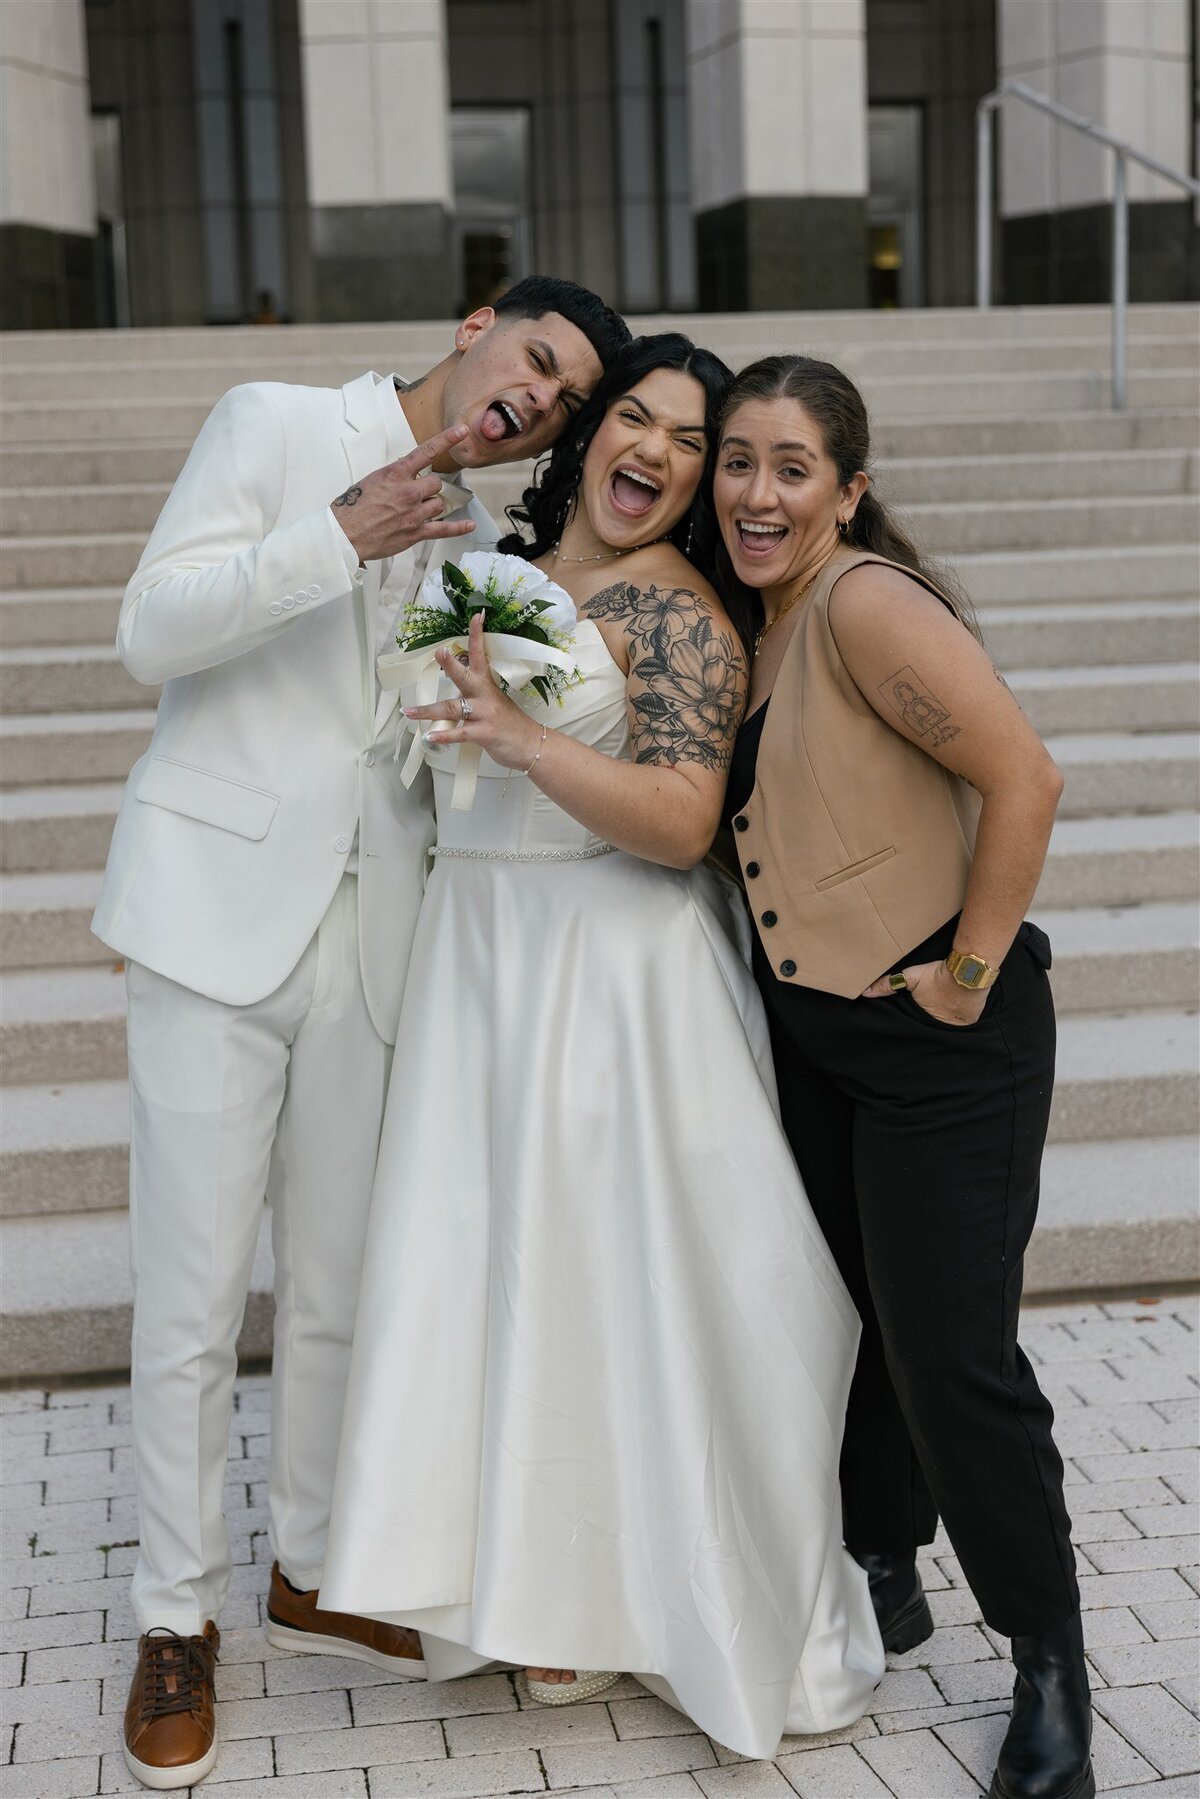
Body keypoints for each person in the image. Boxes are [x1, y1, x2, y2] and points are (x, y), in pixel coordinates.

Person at [93, 275, 631, 1792]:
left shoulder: (472, 543)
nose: (539, 392)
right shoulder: (274, 427)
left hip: (372, 943)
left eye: (567, 393)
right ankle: (174, 1618)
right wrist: (335, 534)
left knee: (333, 1289)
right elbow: (151, 630)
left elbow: (466, 739)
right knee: (193, 1302)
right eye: (537, 355)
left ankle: (313, 1567)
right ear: (476, 329)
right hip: (212, 913)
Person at [319, 333, 885, 1759]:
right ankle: (531, 1590)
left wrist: (520, 745)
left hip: (607, 967)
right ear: (589, 434)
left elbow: (686, 821)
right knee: (505, 1274)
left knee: (618, 1285)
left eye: (694, 443)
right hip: (480, 955)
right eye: (639, 418)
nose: (663, 454)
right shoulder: (506, 570)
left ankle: (650, 1599)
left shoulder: (683, 610)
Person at [712, 354, 1091, 1799]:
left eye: (791, 467)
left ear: (848, 490)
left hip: (948, 1041)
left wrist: (971, 971)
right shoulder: (764, 615)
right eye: (738, 460)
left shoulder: (864, 602)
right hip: (823, 1040)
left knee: (955, 1360)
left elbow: (1027, 776)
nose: (757, 492)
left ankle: (1052, 1664)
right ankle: (885, 1560)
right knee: (859, 1321)